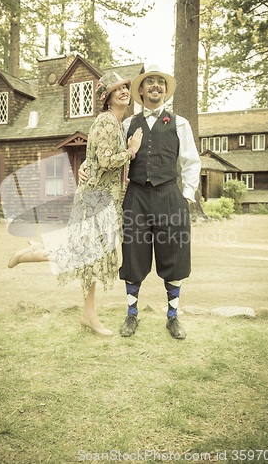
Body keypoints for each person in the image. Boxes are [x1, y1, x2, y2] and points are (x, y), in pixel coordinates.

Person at [8, 71, 143, 338]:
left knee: (90, 260)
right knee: (85, 256)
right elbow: (105, 161)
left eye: (126, 88)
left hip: (104, 202)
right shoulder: (106, 120)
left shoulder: (117, 122)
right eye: (118, 90)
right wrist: (131, 151)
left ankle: (88, 315)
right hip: (94, 202)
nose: (124, 92)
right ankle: (33, 254)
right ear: (107, 98)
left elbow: (94, 159)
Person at [79, 65, 201, 339]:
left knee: (174, 256)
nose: (155, 86)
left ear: (166, 90)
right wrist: (86, 165)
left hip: (170, 195)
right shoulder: (125, 124)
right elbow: (105, 149)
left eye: (160, 82)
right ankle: (131, 315)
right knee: (133, 257)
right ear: (141, 90)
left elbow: (191, 162)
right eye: (150, 82)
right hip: (135, 198)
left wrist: (188, 195)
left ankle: (172, 317)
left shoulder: (180, 123)